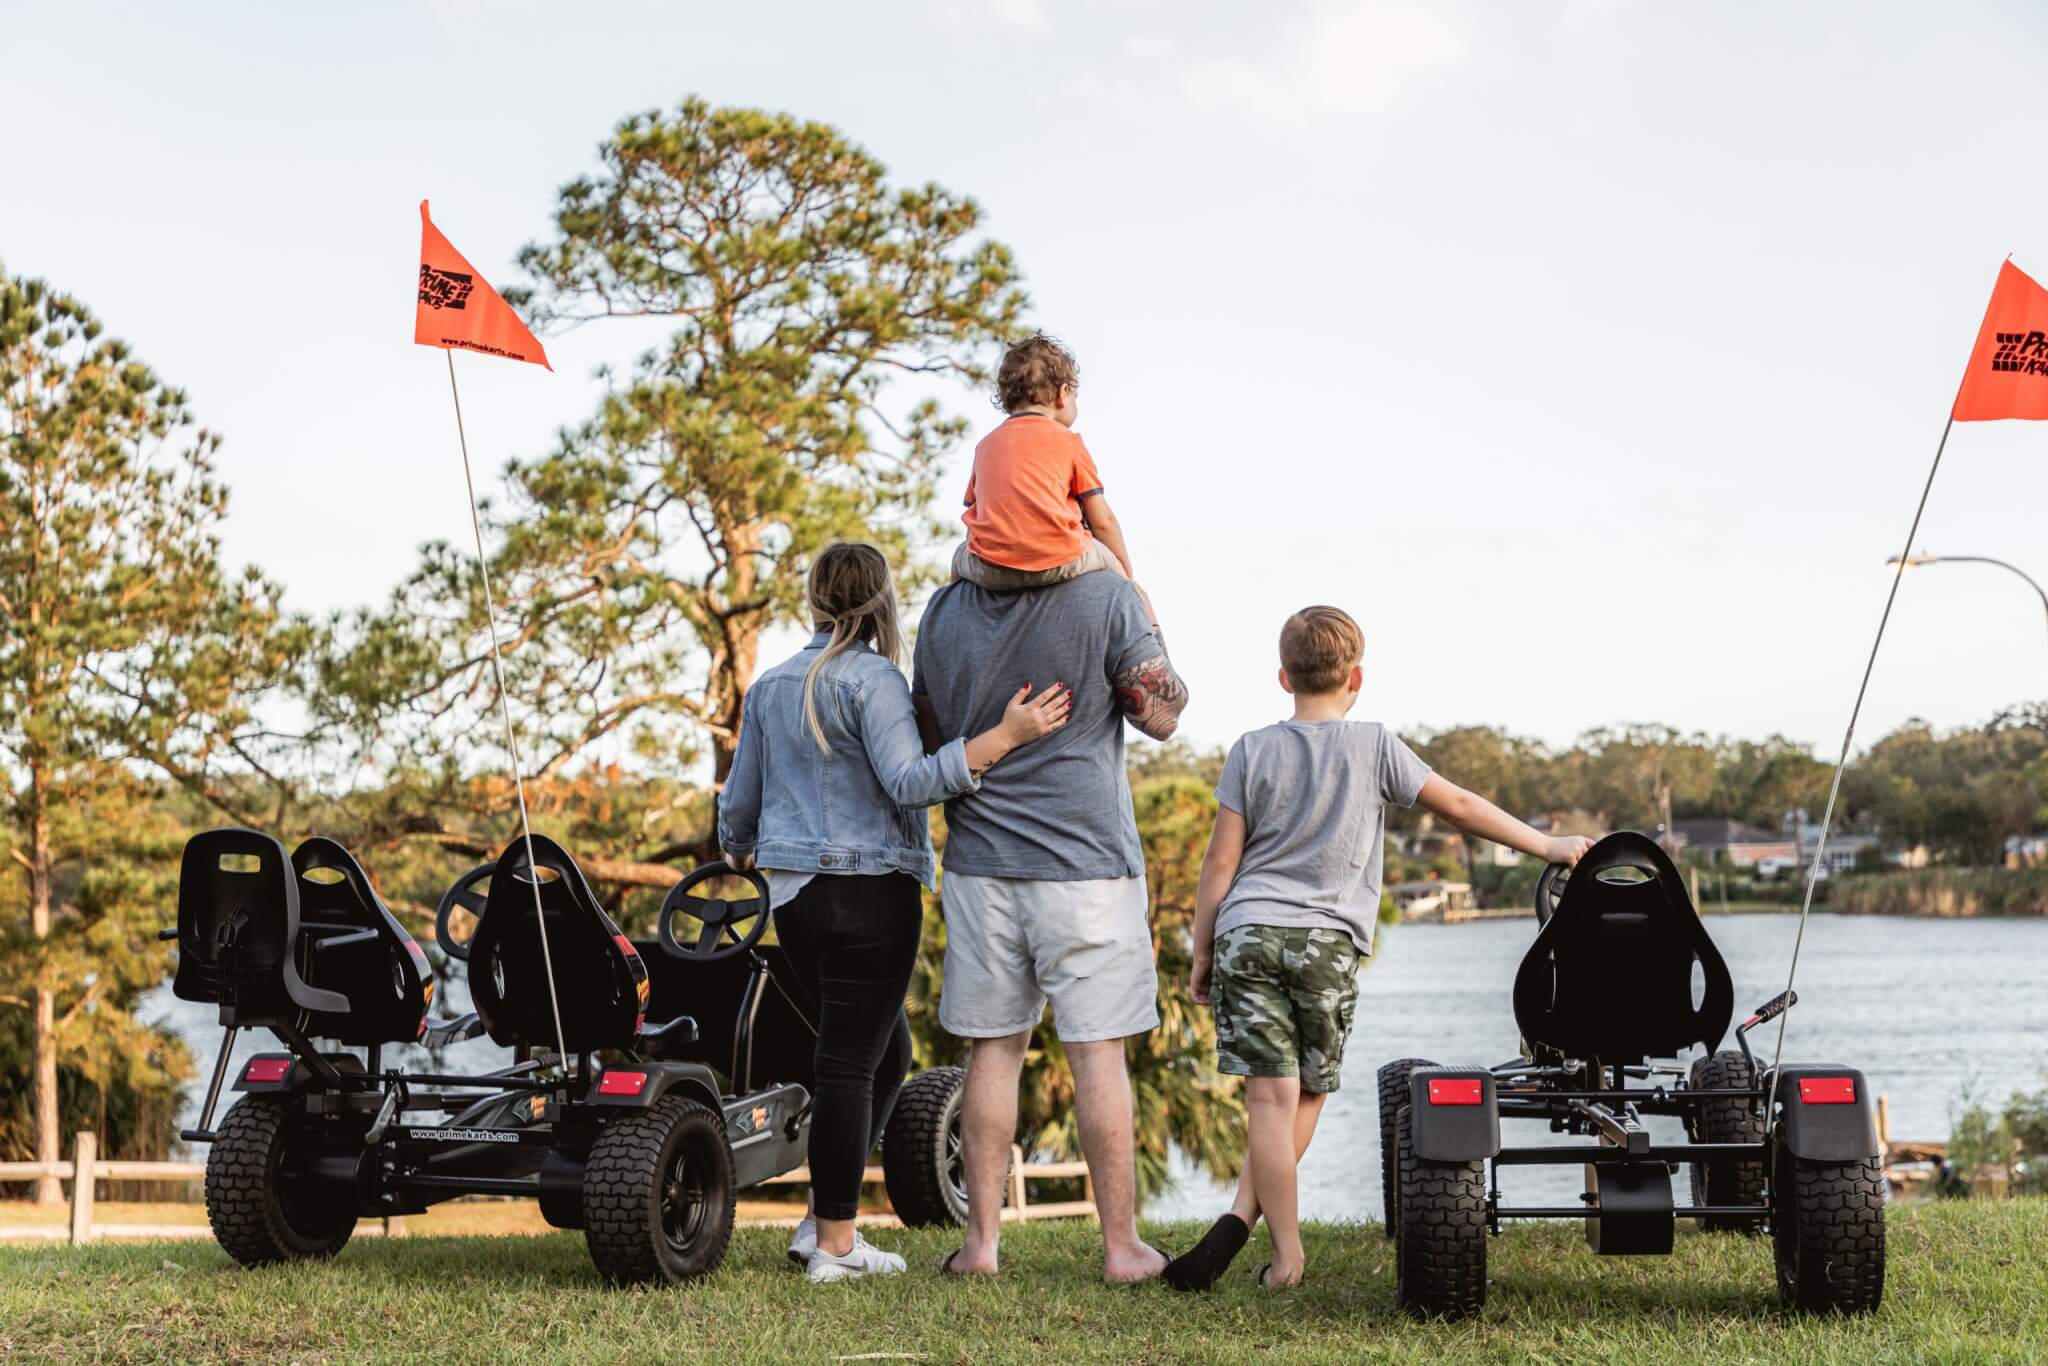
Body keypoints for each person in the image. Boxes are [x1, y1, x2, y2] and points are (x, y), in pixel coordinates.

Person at [1165, 605, 1593, 1291]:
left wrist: (1203, 952)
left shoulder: (1251, 749)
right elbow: (1457, 805)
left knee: (1270, 1101)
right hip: (1327, 943)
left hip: (1247, 930)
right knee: (1308, 1092)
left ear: (1283, 677)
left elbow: (1219, 866)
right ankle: (1265, 1242)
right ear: (1356, 677)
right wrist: (1549, 845)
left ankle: (1272, 1246)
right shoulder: (1374, 745)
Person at [717, 543, 1073, 1284]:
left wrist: (746, 847)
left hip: (797, 904)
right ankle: (838, 1248)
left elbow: (736, 817)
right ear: (881, 602)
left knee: (888, 1057)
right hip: (871, 895)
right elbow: (911, 784)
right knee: (849, 1064)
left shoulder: (771, 686)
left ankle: (822, 1218)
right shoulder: (874, 680)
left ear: (815, 600)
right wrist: (1004, 738)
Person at [912, 563, 1188, 1284]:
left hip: (979, 864)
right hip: (1086, 866)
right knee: (1098, 1053)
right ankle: (1124, 1249)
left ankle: (980, 1247)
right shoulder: (1108, 595)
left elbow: (928, 729)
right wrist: (1149, 625)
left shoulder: (942, 611)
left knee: (993, 1053)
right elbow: (1162, 716)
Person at [952, 333, 1139, 592]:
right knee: (1123, 583)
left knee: (960, 554)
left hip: (991, 570)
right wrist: (1126, 573)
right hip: (1058, 560)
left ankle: (955, 615)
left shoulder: (984, 445)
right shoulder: (1069, 442)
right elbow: (1103, 520)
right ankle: (1151, 628)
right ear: (1064, 394)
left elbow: (975, 513)